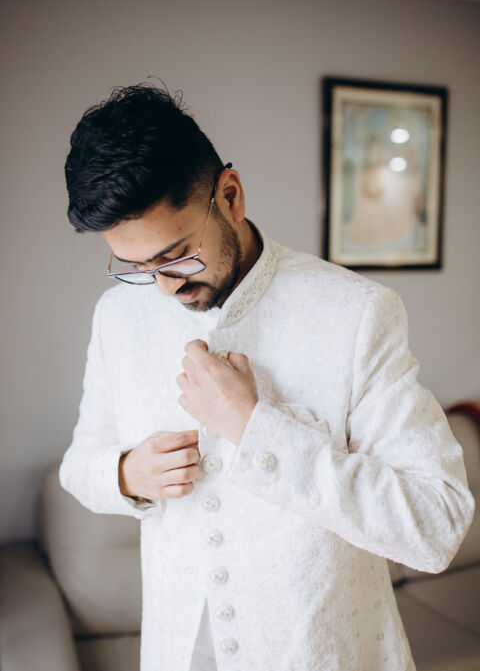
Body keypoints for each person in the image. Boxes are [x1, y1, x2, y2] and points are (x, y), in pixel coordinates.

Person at [59, 82, 474, 671]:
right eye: (137, 266)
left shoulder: (356, 313)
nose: (164, 288)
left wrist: (256, 427)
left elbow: (437, 526)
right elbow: (79, 466)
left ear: (229, 195)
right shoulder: (116, 316)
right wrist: (126, 474)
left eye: (177, 255)